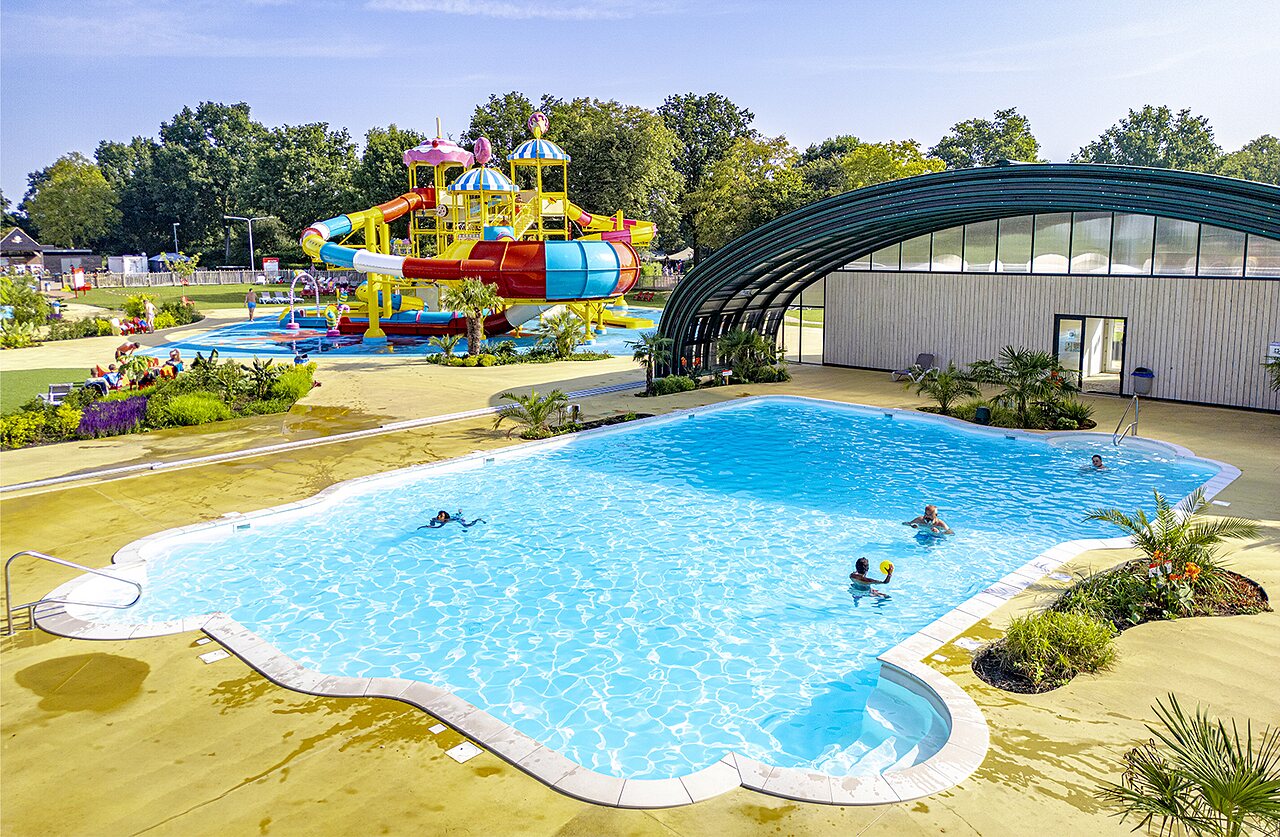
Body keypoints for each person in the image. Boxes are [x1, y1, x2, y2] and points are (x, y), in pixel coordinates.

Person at [418, 510, 485, 530]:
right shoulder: (435, 519)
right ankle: (459, 513)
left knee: (466, 526)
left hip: (456, 519)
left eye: (441, 516)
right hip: (452, 517)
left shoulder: (445, 521)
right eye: (438, 515)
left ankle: (477, 520)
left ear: (444, 518)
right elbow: (432, 522)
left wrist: (429, 527)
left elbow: (439, 527)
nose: (438, 516)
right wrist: (429, 525)